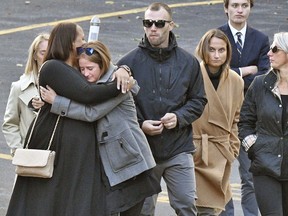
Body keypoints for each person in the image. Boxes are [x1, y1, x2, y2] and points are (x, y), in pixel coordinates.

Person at [5, 22, 131, 216]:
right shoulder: (53, 67)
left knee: (73, 197)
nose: (84, 42)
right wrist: (122, 85)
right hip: (57, 141)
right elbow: (87, 93)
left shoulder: (75, 65)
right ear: (70, 42)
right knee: (50, 196)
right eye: (81, 39)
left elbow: (101, 59)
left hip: (76, 142)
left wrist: (124, 69)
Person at [40, 40, 161, 216]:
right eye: (82, 69)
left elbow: (91, 113)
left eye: (90, 68)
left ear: (102, 64)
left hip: (130, 164)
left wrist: (57, 102)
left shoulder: (117, 84)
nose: (85, 74)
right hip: (112, 166)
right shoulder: (93, 85)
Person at [117, 2, 207, 216]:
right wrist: (141, 125)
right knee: (142, 210)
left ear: (171, 25)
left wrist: (178, 117)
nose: (153, 28)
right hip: (142, 150)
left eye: (159, 23)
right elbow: (119, 107)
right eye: (147, 23)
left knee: (186, 204)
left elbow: (198, 100)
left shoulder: (188, 62)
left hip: (178, 147)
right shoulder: (128, 63)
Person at [218, 0, 270, 215]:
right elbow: (215, 73)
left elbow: (265, 75)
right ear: (226, 8)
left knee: (250, 175)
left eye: (244, 5)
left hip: (250, 117)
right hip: (221, 116)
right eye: (235, 5)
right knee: (221, 174)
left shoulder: (260, 39)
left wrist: (233, 73)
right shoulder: (216, 37)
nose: (239, 10)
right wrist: (246, 70)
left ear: (250, 8)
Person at [192, 29, 244, 215]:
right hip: (195, 149)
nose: (216, 55)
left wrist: (233, 147)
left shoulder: (236, 81)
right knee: (195, 208)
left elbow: (236, 118)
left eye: (221, 50)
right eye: (211, 49)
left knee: (215, 208)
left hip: (221, 151)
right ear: (203, 50)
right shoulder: (191, 74)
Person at [238, 32, 288, 216]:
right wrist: (253, 147)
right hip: (265, 165)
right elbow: (245, 122)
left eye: (275, 49)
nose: (269, 53)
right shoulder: (260, 84)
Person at [2, 33, 48, 157]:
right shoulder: (19, 87)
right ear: (34, 56)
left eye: (51, 53)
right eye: (43, 53)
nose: (47, 57)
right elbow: (10, 124)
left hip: (57, 156)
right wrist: (18, 151)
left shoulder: (64, 87)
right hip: (29, 156)